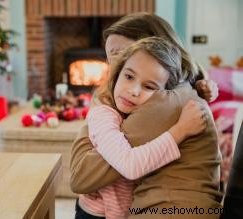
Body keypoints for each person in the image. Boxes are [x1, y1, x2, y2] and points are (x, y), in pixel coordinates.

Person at [70, 12, 222, 219]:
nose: (112, 64)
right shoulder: (108, 111)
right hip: (98, 211)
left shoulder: (164, 100)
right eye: (109, 56)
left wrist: (204, 85)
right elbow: (82, 178)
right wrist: (180, 131)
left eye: (118, 53)